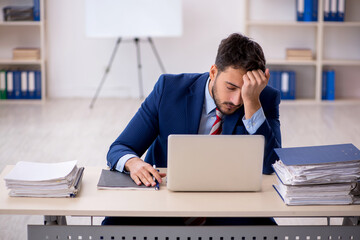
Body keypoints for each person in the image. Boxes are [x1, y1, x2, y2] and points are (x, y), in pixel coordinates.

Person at [103, 33, 281, 225]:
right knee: (113, 225)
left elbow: (269, 165)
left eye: (244, 91)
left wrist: (252, 101)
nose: (236, 100)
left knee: (265, 229)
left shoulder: (262, 99)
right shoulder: (168, 90)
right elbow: (119, 148)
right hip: (166, 204)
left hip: (231, 206)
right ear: (213, 72)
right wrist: (134, 163)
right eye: (230, 87)